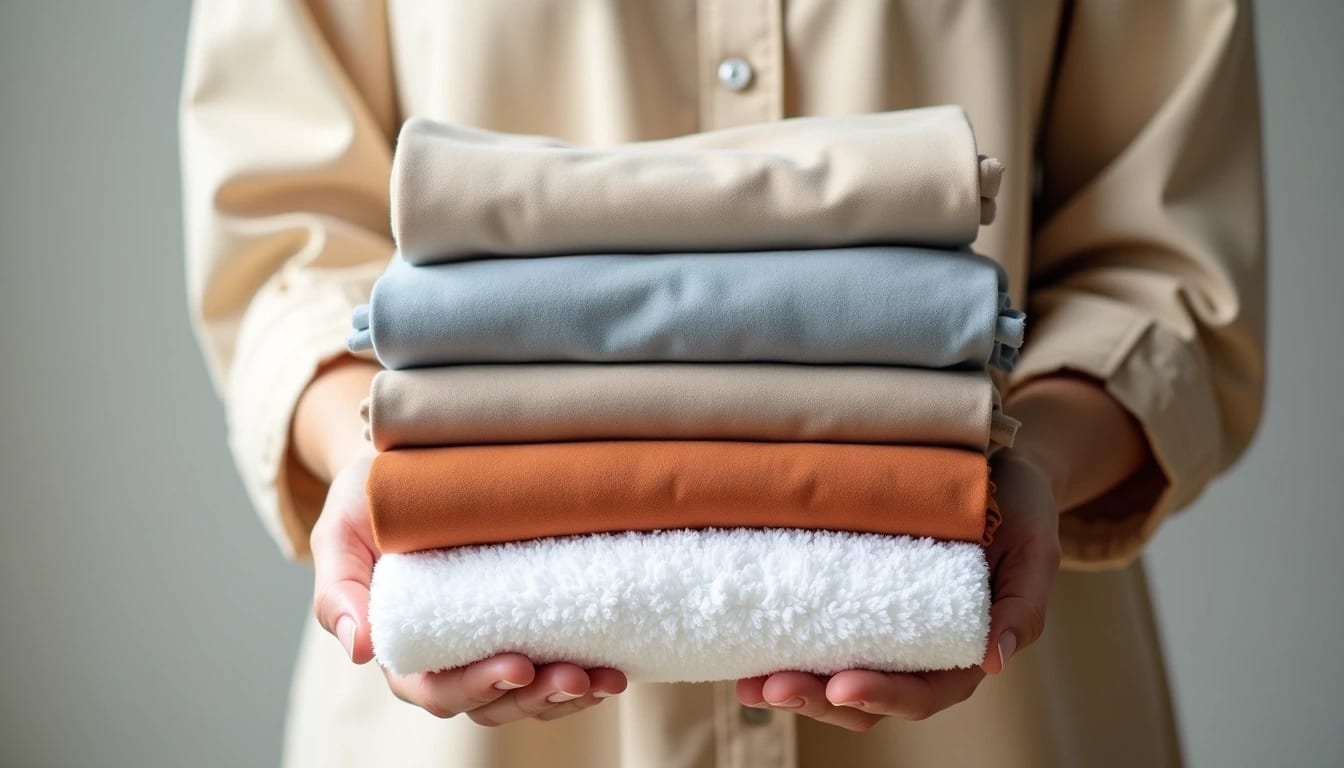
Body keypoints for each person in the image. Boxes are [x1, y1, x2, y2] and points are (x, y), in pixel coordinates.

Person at [180, 1, 1264, 766]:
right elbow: (285, 240)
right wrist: (374, 459)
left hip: (1001, 720)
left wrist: (1017, 466)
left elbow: (1163, 265)